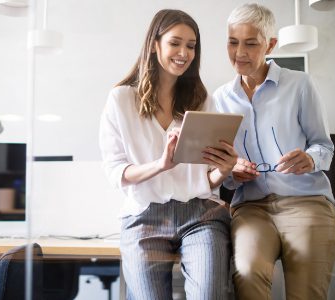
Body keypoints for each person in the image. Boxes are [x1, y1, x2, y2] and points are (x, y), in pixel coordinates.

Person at [99, 9, 237, 300]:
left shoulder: (202, 100)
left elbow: (205, 178)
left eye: (191, 45)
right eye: (175, 43)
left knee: (209, 295)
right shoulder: (121, 99)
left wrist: (223, 170)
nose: (184, 53)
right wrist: (160, 165)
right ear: (154, 44)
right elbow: (116, 173)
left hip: (201, 214)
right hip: (144, 216)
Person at [213, 3, 335, 300]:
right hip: (251, 208)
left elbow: (325, 147)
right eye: (233, 42)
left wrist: (310, 159)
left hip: (306, 201)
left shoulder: (300, 85)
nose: (239, 52)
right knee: (246, 274)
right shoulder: (220, 99)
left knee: (305, 293)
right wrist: (233, 171)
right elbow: (222, 171)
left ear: (271, 44)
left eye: (250, 43)